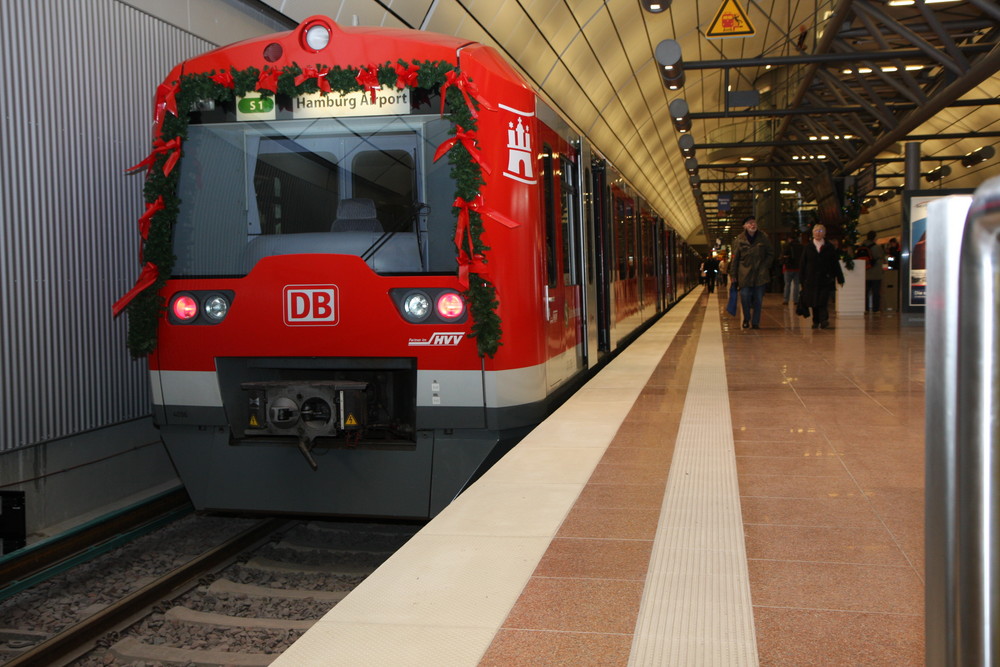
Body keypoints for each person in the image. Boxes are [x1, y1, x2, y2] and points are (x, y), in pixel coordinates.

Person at [730, 215, 774, 329]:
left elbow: (770, 253)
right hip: (744, 274)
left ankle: (755, 322)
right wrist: (733, 274)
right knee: (744, 297)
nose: (752, 225)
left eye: (754, 222)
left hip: (760, 274)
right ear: (744, 226)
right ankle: (746, 318)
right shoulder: (739, 240)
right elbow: (735, 258)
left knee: (758, 299)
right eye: (749, 223)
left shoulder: (763, 237)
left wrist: (765, 266)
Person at [799, 223, 845, 329]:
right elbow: (803, 264)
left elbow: (835, 263)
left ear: (824, 234)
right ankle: (816, 321)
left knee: (823, 300)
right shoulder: (808, 247)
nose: (818, 233)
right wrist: (802, 279)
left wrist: (840, 277)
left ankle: (824, 320)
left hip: (825, 278)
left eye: (820, 231)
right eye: (816, 231)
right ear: (813, 233)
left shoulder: (829, 247)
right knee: (814, 300)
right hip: (811, 279)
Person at [860, 230, 886, 312]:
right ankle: (876, 309)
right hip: (876, 274)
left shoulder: (861, 246)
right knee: (876, 292)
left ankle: (865, 308)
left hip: (865, 273)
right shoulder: (877, 247)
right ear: (875, 237)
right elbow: (882, 257)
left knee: (866, 292)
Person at [780, 237, 803, 306]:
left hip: (788, 268)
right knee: (796, 285)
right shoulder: (801, 247)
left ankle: (786, 300)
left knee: (787, 284)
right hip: (798, 268)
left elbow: (783, 256)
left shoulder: (788, 246)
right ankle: (796, 300)